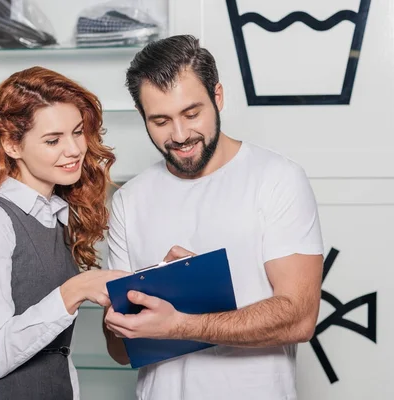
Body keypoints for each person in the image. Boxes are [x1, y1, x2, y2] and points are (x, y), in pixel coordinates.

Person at [103, 35, 324, 399]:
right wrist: (132, 309)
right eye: (160, 120)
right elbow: (119, 350)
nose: (180, 135)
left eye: (192, 114)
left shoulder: (277, 179)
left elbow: (300, 317)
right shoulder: (130, 200)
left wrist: (182, 322)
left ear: (217, 97)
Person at [0, 66, 128, 400]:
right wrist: (74, 290)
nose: (74, 150)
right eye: (53, 140)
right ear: (12, 144)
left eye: (78, 132)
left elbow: (54, 355)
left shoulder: (56, 215)